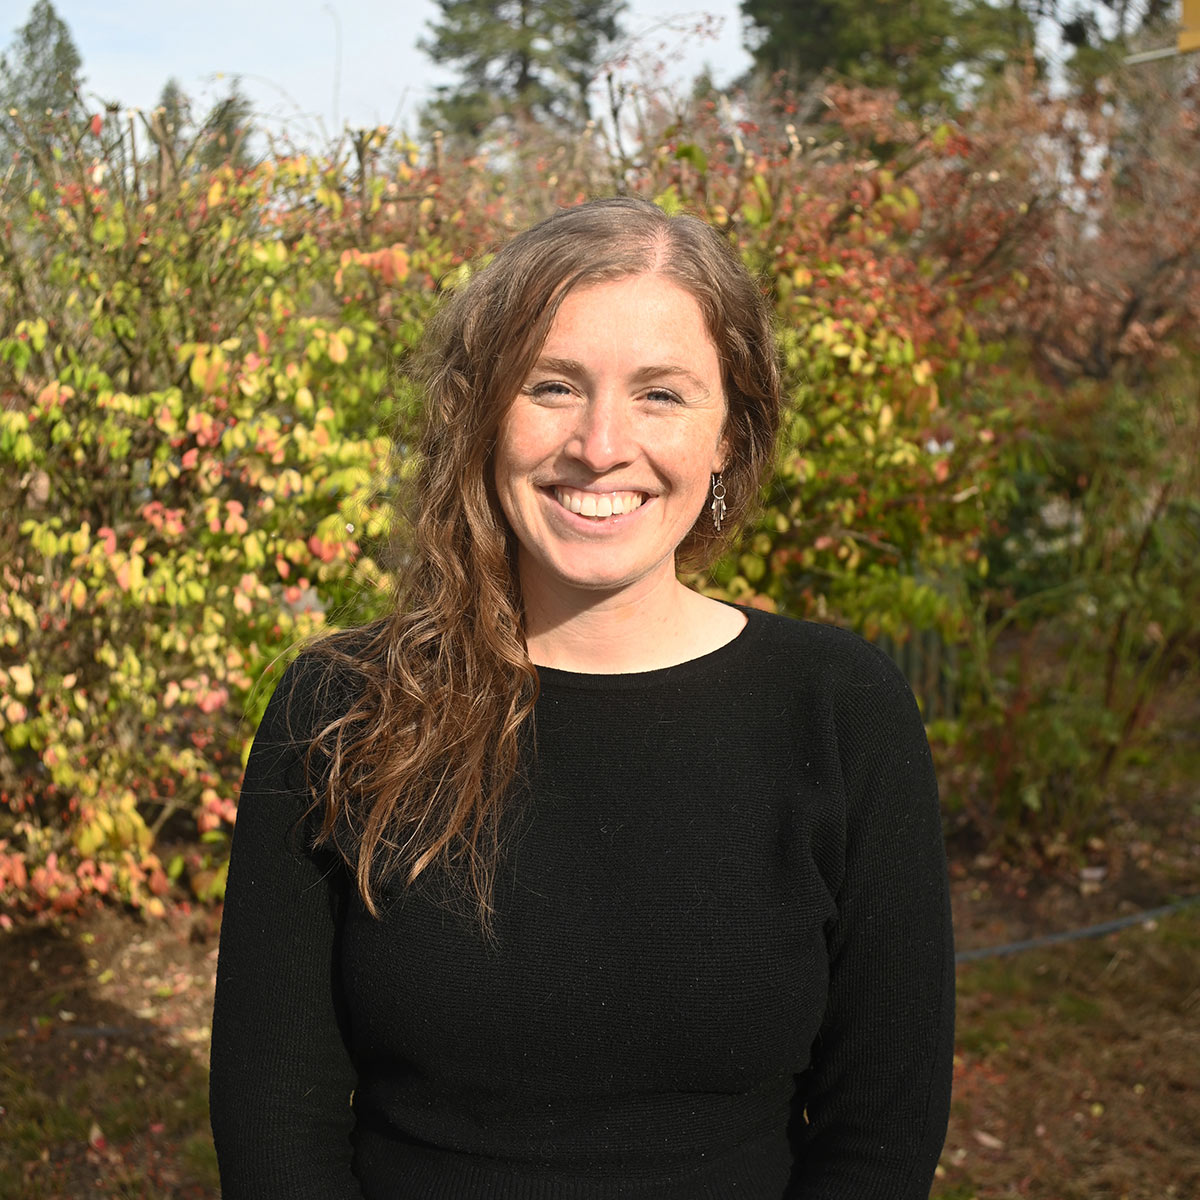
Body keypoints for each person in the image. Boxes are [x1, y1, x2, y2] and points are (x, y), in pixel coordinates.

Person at [209, 196, 955, 1199]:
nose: (601, 445)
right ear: (483, 413)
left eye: (662, 395)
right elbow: (275, 1127)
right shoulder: (342, 707)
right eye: (553, 386)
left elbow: (881, 1136)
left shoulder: (838, 709)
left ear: (730, 433)